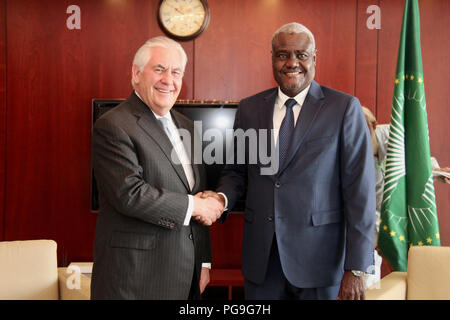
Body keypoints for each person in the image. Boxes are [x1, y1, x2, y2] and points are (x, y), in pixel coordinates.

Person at [200, 22, 376, 300]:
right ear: (272, 58)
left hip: (320, 261)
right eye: (283, 54)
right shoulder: (250, 108)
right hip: (262, 261)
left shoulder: (343, 108)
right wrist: (221, 198)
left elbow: (360, 192)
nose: (292, 62)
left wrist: (356, 267)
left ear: (314, 58)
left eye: (301, 55)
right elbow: (236, 171)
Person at [90, 36, 224, 299]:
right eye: (159, 69)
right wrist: (195, 206)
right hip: (135, 279)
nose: (168, 80)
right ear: (136, 73)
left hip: (186, 275)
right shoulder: (113, 125)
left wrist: (204, 262)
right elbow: (129, 194)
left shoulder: (187, 127)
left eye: (176, 72)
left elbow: (199, 192)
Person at [362, 106, 450, 288]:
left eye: (364, 128)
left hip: (404, 204)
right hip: (374, 213)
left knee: (410, 262)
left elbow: (417, 157)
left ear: (374, 125)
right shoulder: (353, 152)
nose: (361, 134)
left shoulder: (391, 135)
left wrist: (435, 170)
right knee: (370, 252)